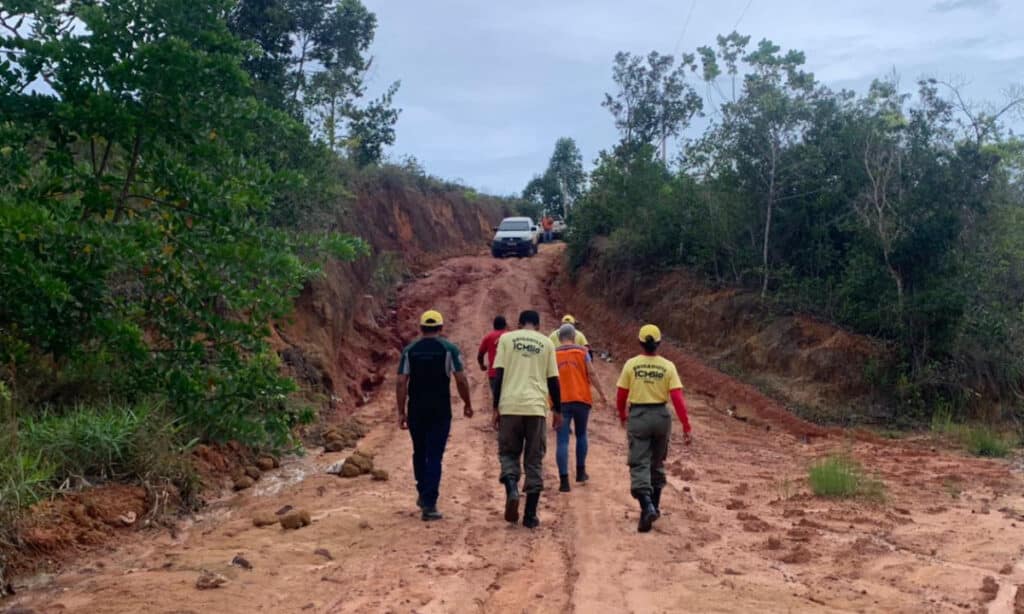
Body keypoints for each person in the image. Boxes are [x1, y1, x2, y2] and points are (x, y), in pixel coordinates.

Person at [396, 310, 473, 521]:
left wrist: (401, 411)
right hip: (440, 410)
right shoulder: (448, 349)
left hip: (416, 410)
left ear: (421, 328)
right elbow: (461, 379)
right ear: (440, 328)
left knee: (419, 452)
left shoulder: (410, 351)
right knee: (435, 456)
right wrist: (467, 403)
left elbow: (401, 381)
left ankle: (423, 492)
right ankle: (429, 504)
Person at [615, 324, 693, 533]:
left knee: (639, 463)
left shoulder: (631, 365)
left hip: (639, 416)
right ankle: (652, 510)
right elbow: (677, 398)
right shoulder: (668, 367)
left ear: (640, 343)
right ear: (658, 343)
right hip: (661, 416)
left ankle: (647, 506)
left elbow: (621, 394)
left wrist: (623, 415)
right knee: (656, 463)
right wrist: (686, 426)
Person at [492, 310, 562, 529]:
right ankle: (530, 515)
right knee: (534, 460)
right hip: (536, 408)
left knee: (508, 453)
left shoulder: (506, 339)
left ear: (519, 323)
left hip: (510, 405)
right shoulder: (547, 343)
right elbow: (553, 380)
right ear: (538, 325)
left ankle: (512, 488)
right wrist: (557, 410)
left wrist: (496, 407)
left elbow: (498, 375)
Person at [553, 324, 609, 492]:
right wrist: (602, 393)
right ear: (574, 336)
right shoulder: (582, 352)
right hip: (582, 400)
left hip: (560, 402)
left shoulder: (552, 354)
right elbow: (591, 373)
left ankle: (564, 482)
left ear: (559, 337)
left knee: (562, 441)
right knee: (581, 434)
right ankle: (580, 472)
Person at [476, 315, 508, 412]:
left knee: (497, 398)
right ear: (505, 325)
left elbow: (480, 354)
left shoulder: (488, 337)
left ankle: (498, 420)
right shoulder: (511, 336)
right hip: (509, 373)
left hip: (494, 374)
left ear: (494, 326)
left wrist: (482, 365)